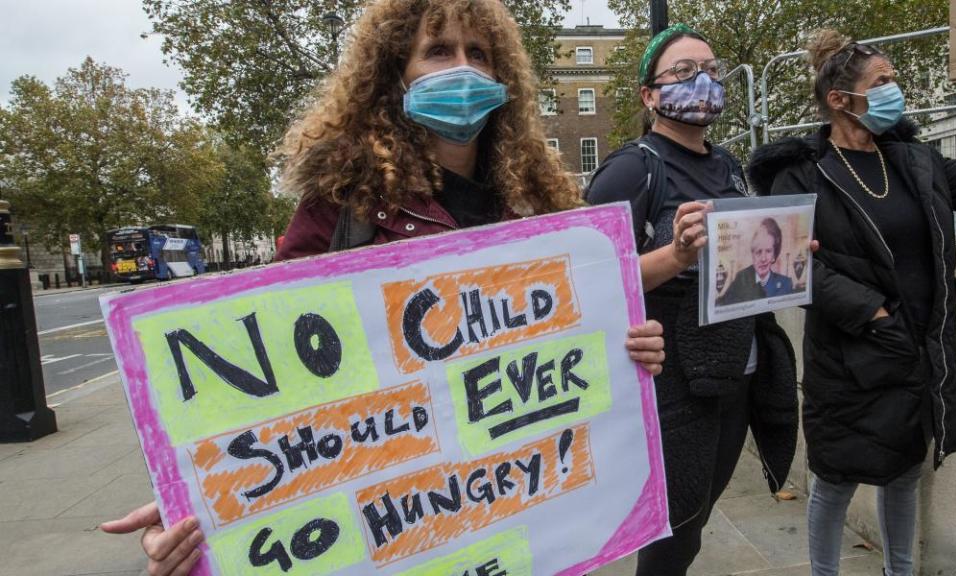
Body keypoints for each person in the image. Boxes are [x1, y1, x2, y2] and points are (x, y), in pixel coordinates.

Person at [98, 2, 667, 575]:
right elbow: (258, 383)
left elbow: (572, 356)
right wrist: (191, 505)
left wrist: (629, 351)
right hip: (406, 532)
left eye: (480, 54)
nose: (463, 69)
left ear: (502, 78)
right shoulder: (342, 205)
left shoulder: (538, 210)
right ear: (397, 73)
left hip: (518, 521)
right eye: (439, 51)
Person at [586, 24, 800, 576]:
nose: (702, 81)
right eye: (683, 72)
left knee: (696, 519)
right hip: (672, 384)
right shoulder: (632, 169)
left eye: (710, 69)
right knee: (674, 531)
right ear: (649, 95)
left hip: (735, 371)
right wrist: (676, 254)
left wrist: (788, 255)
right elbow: (588, 282)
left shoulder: (728, 164)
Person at [748, 29, 956, 576]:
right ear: (840, 100)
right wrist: (871, 312)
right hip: (849, 356)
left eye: (894, 79)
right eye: (882, 82)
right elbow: (788, 266)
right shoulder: (798, 173)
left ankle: (900, 570)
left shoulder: (915, 160)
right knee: (835, 480)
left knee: (905, 472)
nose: (896, 90)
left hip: (920, 348)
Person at [717, 217, 793, 305]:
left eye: (768, 251)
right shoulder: (741, 278)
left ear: (774, 255)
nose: (763, 259)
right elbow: (723, 304)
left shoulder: (785, 284)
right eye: (758, 252)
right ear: (752, 255)